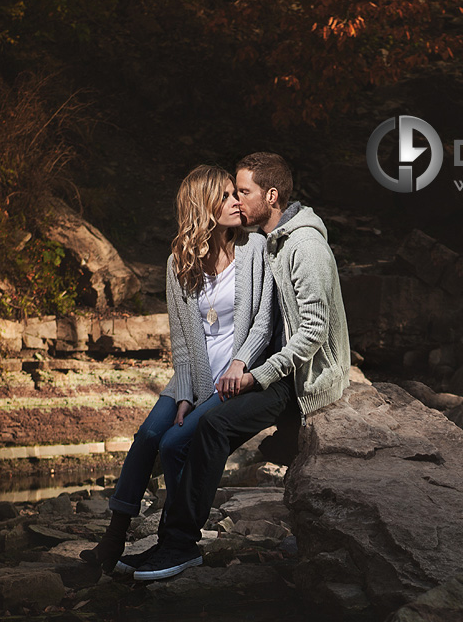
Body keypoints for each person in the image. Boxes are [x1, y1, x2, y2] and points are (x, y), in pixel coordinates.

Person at [133, 151, 350, 581]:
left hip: (303, 379)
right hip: (278, 370)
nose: (236, 197)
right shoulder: (271, 242)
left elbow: (313, 334)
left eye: (243, 191)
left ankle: (178, 546)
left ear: (270, 196)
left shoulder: (304, 247)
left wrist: (254, 375)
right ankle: (171, 543)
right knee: (190, 435)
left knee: (212, 429)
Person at [80, 163, 279, 572]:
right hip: (194, 376)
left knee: (174, 443)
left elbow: (263, 322)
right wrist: (186, 394)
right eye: (224, 196)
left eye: (235, 193)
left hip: (234, 377)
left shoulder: (254, 249)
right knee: (149, 433)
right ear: (202, 206)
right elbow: (184, 342)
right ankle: (114, 537)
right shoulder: (179, 263)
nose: (236, 202)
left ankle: (174, 537)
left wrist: (239, 366)